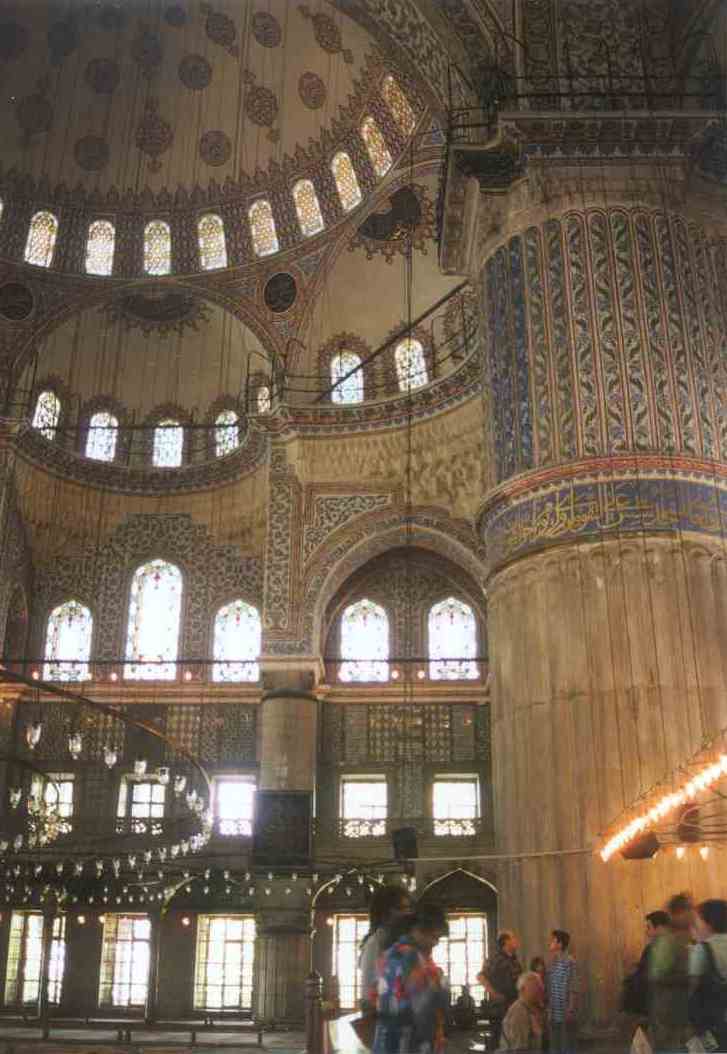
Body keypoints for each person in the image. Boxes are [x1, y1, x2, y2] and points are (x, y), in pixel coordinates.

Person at [372, 904, 450, 1054]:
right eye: (435, 937)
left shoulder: (390, 953)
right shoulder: (410, 956)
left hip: (386, 1041)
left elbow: (375, 994)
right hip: (407, 1043)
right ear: (421, 930)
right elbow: (425, 1005)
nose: (436, 943)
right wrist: (442, 983)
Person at [648, 892, 694, 1053]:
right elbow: (656, 976)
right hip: (668, 1013)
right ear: (678, 913)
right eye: (688, 910)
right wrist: (689, 977)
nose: (692, 915)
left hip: (682, 1012)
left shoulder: (688, 937)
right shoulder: (667, 941)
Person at [359, 884, 411, 1011]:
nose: (407, 913)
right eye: (401, 908)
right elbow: (370, 996)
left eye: (408, 908)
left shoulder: (400, 942)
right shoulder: (374, 944)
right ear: (385, 914)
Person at [688, 898, 727, 1051]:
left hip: (714, 1024)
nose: (694, 927)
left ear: (708, 923)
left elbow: (690, 988)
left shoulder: (702, 949)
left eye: (697, 921)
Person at [478, 931, 523, 1047]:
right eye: (513, 938)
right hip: (499, 1008)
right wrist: (493, 992)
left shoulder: (514, 959)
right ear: (506, 941)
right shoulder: (495, 958)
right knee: (499, 1040)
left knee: (512, 1039)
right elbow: (481, 976)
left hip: (513, 1006)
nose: (516, 940)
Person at [622, 911, 670, 1017]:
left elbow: (647, 977)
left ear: (660, 928)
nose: (646, 932)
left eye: (649, 927)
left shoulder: (653, 949)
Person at [546, 930, 577, 1053]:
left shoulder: (569, 962)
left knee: (567, 1045)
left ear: (560, 944)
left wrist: (571, 1009)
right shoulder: (553, 962)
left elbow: (573, 986)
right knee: (555, 1045)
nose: (550, 943)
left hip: (565, 1010)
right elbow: (550, 986)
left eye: (553, 941)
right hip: (554, 1010)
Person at [498, 972, 544, 1051]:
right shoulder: (519, 1012)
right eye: (535, 987)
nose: (540, 990)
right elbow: (519, 1049)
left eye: (540, 986)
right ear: (522, 990)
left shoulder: (537, 1007)